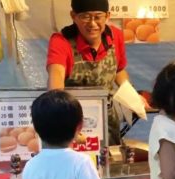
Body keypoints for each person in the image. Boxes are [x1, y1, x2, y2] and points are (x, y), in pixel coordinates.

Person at [46, 0, 130, 145]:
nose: (92, 24)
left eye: (98, 16)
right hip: (72, 118)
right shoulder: (61, 41)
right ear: (73, 16)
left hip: (107, 118)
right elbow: (56, 74)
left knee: (108, 160)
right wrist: (63, 120)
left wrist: (131, 94)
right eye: (85, 16)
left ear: (107, 16)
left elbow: (119, 70)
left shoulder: (115, 36)